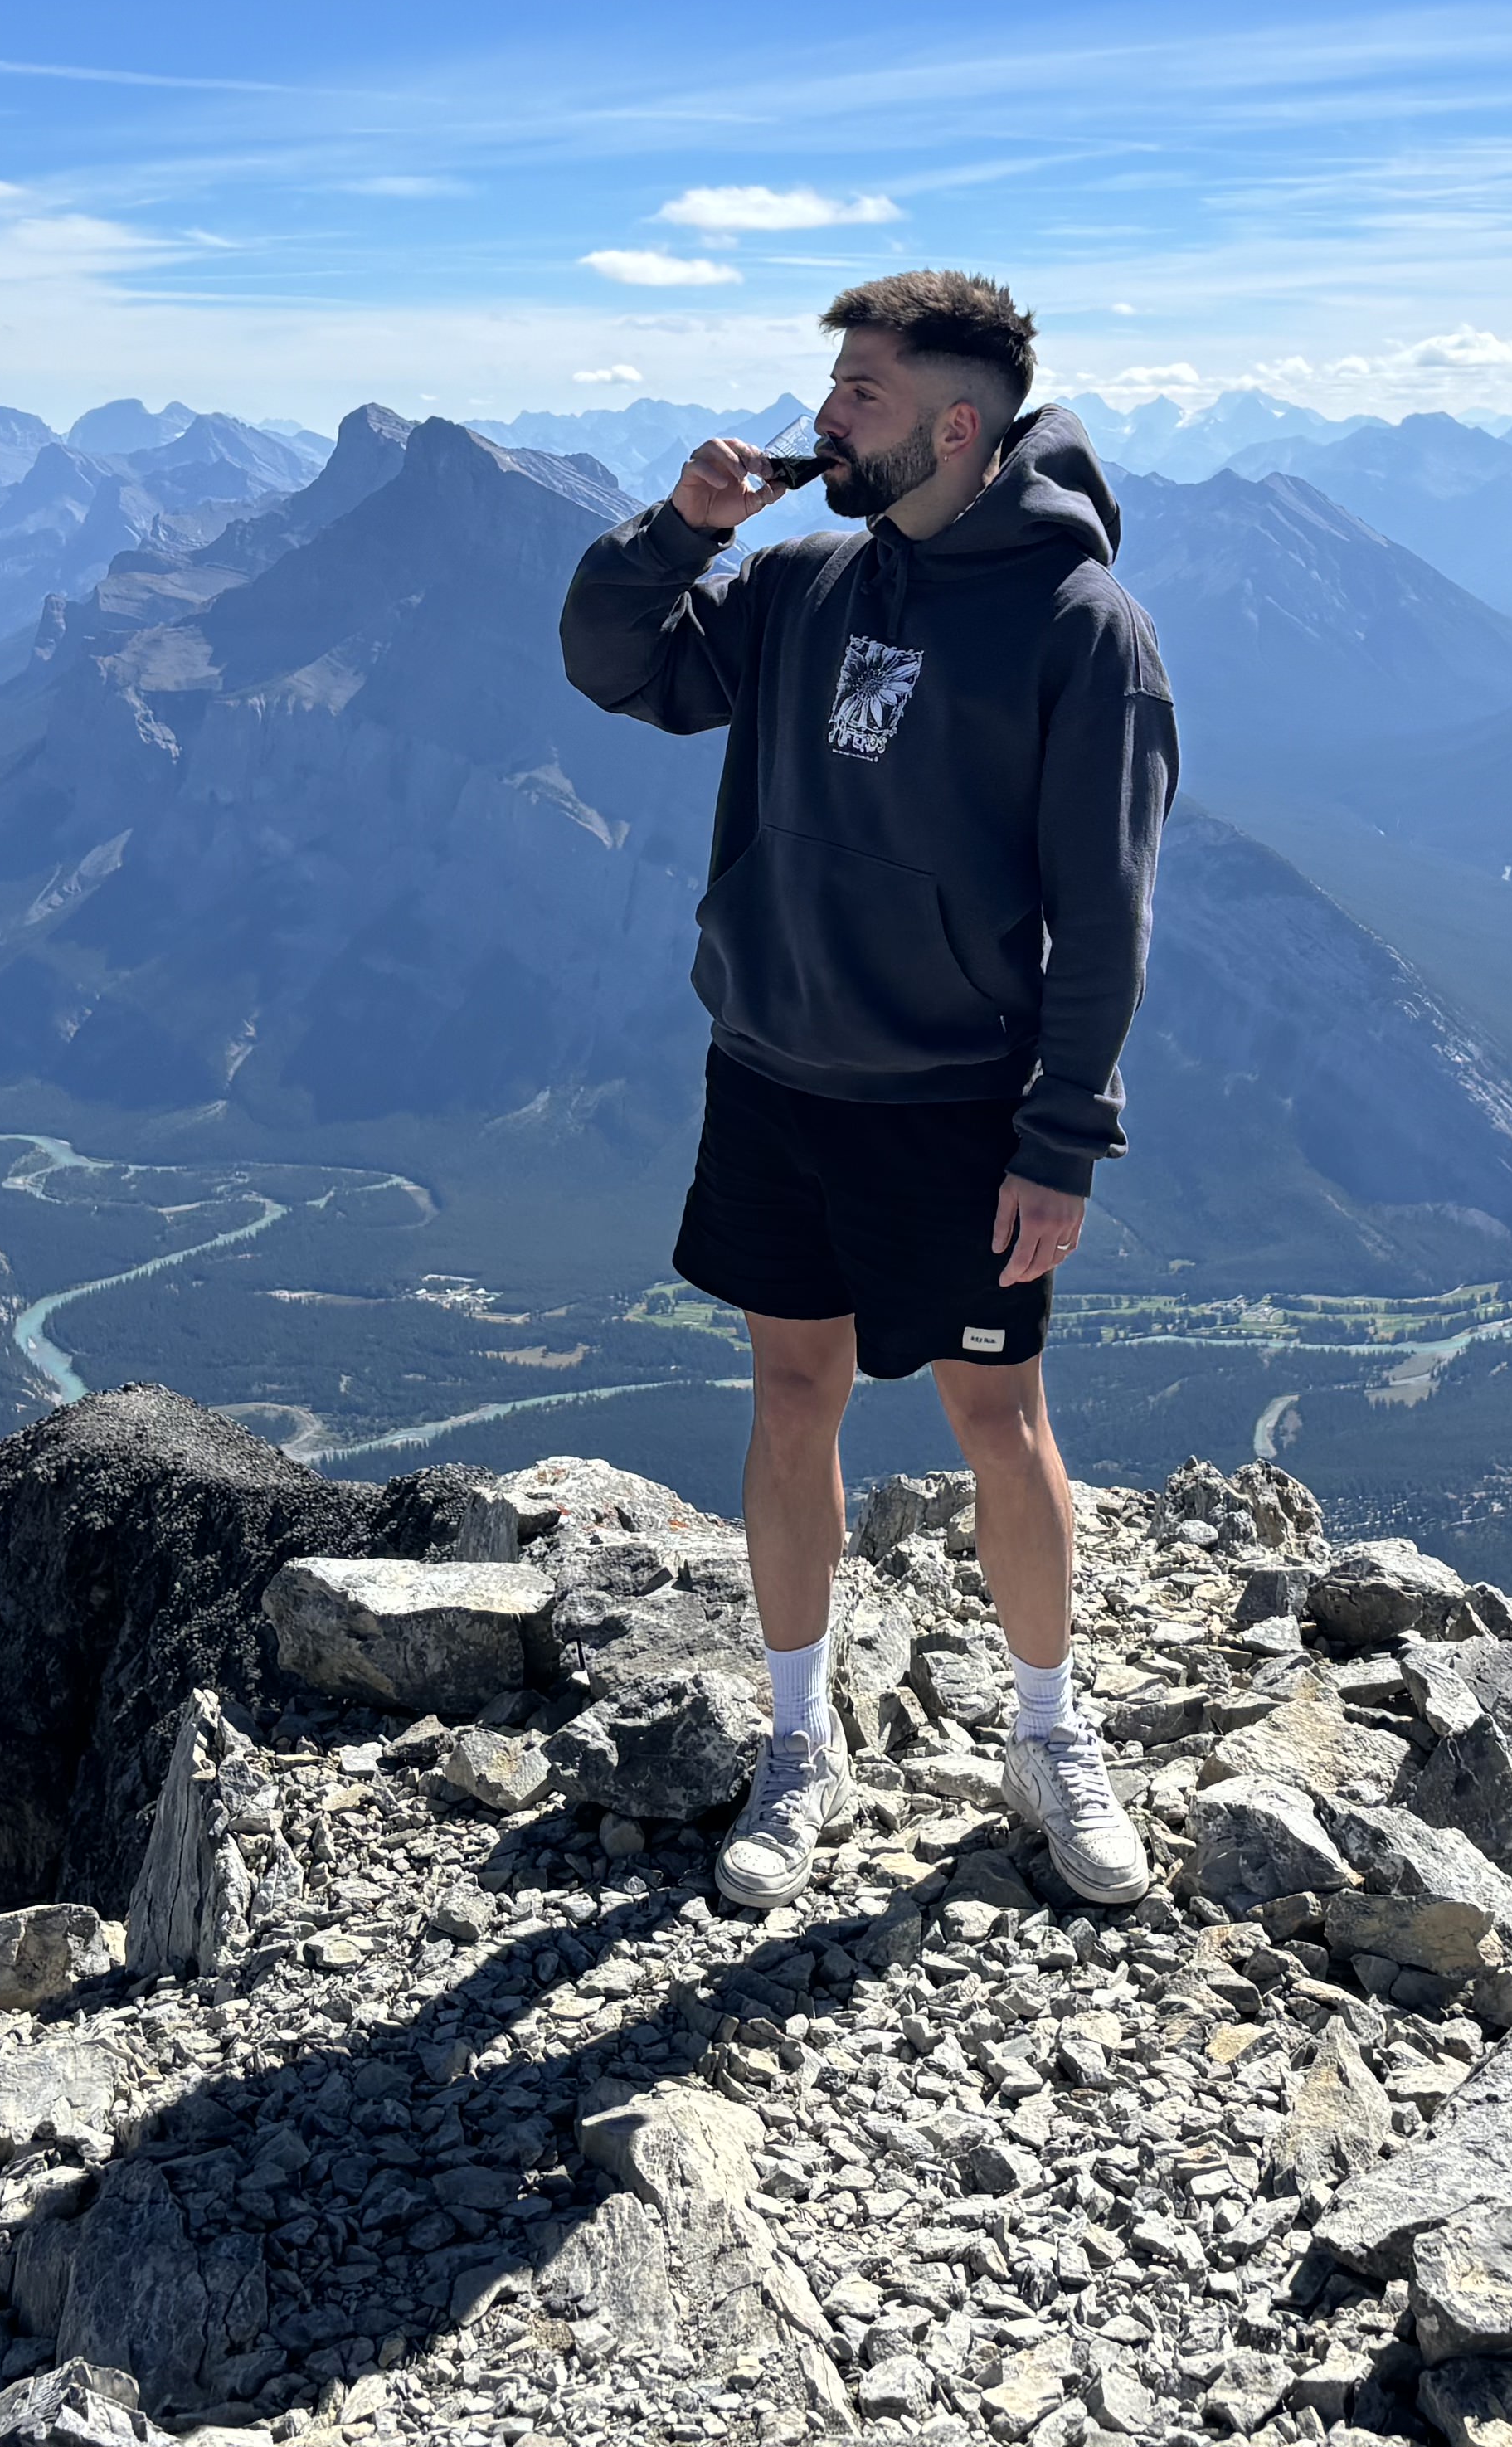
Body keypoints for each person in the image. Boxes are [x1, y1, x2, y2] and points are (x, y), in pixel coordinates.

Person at [558, 269, 1177, 1913]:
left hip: (958, 1107)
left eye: (859, 397)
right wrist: (677, 532)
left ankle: (1050, 1735)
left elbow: (1107, 912)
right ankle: (796, 1739)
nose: (820, 420)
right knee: (789, 1397)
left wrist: (1062, 1144)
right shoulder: (805, 583)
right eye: (830, 390)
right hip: (772, 1077)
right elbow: (617, 667)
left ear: (955, 425)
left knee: (1000, 1417)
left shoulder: (1077, 626)